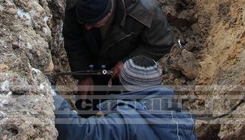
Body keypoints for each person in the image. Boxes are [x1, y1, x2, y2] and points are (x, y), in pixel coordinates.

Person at [63, 0, 174, 110]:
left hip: (126, 64)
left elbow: (162, 43)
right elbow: (73, 38)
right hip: (93, 60)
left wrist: (127, 62)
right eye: (83, 23)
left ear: (109, 13)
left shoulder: (144, 10)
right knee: (86, 103)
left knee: (124, 107)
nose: (87, 28)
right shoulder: (77, 3)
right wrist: (83, 74)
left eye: (93, 23)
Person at [54, 55, 197, 140]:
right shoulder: (182, 116)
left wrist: (52, 97)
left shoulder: (126, 120)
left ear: (124, 83)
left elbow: (81, 133)